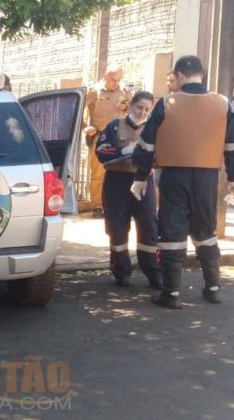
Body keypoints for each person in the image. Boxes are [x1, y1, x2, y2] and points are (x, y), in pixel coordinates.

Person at [131, 55, 234, 309]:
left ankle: (171, 293)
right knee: (205, 229)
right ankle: (213, 287)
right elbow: (231, 146)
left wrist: (140, 176)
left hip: (174, 175)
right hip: (208, 177)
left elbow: (146, 144)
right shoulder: (224, 103)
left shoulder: (167, 103)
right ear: (202, 74)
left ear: (178, 75)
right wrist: (232, 177)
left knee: (172, 231)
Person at [95, 91, 162, 289]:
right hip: (117, 181)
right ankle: (121, 271)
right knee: (117, 227)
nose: (143, 112)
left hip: (144, 180)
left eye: (147, 109)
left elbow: (163, 154)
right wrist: (122, 151)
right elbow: (101, 150)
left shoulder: (153, 128)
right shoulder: (115, 126)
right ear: (131, 105)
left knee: (149, 226)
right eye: (139, 107)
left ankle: (153, 272)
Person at [83, 65, 131, 217]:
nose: (115, 83)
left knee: (121, 173)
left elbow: (137, 111)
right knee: (98, 174)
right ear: (105, 77)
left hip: (120, 139)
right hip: (100, 138)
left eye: (118, 80)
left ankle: (117, 204)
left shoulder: (124, 92)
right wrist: (86, 127)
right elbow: (77, 112)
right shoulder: (94, 91)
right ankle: (97, 206)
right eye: (112, 80)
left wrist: (126, 108)